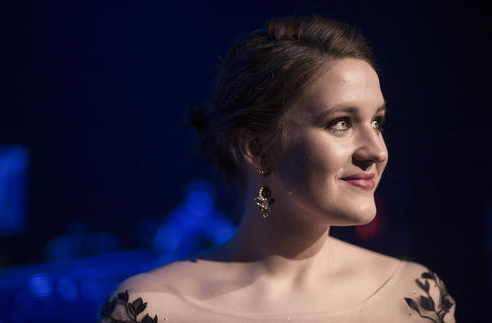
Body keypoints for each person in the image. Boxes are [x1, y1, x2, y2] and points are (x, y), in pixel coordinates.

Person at [100, 16, 456, 323]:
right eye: (341, 123)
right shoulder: (151, 308)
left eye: (377, 122)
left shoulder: (412, 298)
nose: (376, 151)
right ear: (256, 148)